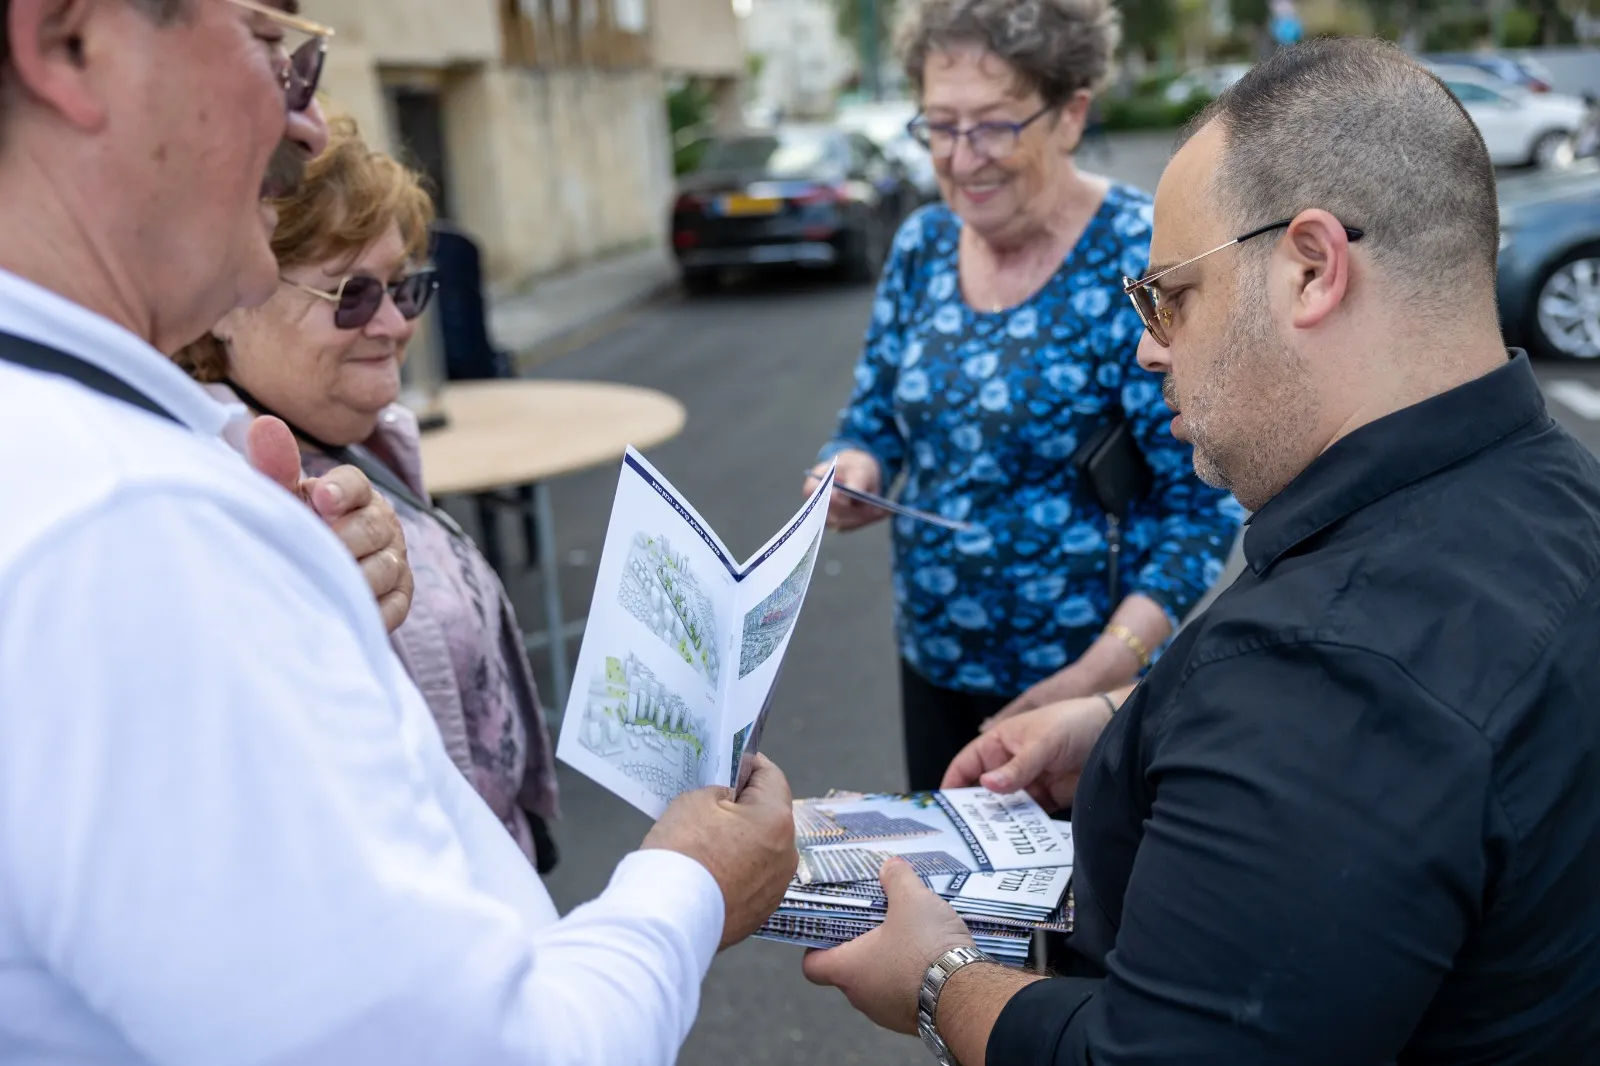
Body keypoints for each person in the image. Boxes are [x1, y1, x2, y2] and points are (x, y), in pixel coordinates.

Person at [0, 3, 797, 1063]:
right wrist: (691, 880)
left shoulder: (106, 469)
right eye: (267, 44)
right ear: (63, 42)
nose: (313, 126)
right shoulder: (128, 525)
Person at [801, 37, 1600, 1063]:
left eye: (1168, 296)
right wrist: (1121, 718)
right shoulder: (1555, 492)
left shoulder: (1320, 675)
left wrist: (938, 983)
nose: (1148, 344)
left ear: (1310, 268)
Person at [804, 0, 1240, 792]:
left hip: (1094, 684)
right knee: (948, 904)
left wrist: (1101, 675)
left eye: (993, 126)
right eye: (940, 126)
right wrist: (854, 466)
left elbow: (1201, 502)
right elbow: (869, 417)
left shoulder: (1136, 253)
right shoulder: (922, 247)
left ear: (1070, 114)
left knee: (1080, 910)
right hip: (934, 661)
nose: (962, 158)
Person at [173, 115, 560, 871]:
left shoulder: (360, 437)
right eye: (350, 295)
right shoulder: (234, 499)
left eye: (402, 288)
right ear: (227, 301)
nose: (391, 323)